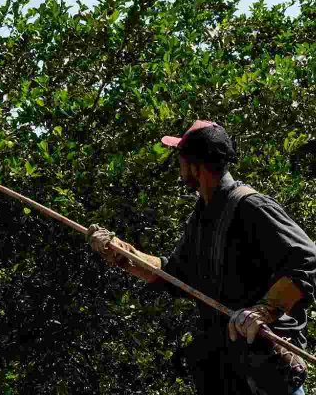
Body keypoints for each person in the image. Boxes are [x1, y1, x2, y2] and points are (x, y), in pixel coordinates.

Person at [88, 120, 316, 395]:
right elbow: (172, 274)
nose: (179, 168)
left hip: (267, 369)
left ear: (196, 165)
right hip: (230, 373)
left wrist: (263, 311)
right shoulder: (202, 217)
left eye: (181, 160)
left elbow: (307, 258)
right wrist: (122, 253)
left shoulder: (251, 206)